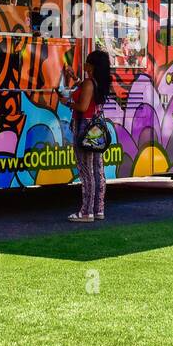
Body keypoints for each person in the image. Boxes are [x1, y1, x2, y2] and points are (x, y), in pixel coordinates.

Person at [61, 49, 112, 223]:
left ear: (92, 66)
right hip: (96, 129)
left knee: (85, 171)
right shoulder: (98, 82)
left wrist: (67, 102)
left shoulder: (89, 83)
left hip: (84, 127)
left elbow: (82, 106)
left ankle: (86, 212)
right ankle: (98, 209)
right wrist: (75, 78)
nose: (85, 64)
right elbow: (86, 91)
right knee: (98, 170)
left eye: (87, 62)